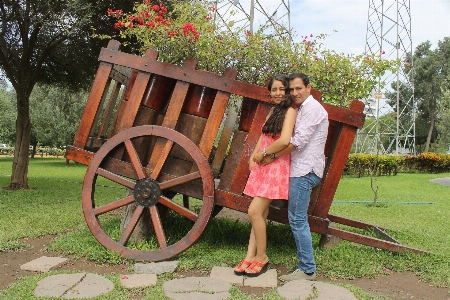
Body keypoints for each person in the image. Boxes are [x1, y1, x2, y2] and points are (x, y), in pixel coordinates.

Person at [256, 72, 329, 281]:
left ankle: (307, 269)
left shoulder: (313, 109)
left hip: (305, 171)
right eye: (292, 89)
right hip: (299, 169)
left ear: (309, 88)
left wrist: (270, 155)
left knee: (297, 219)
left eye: (299, 88)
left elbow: (298, 141)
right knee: (296, 218)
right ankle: (306, 267)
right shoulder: (301, 109)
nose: (295, 93)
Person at [234, 74, 296, 277]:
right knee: (260, 214)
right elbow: (264, 135)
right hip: (263, 165)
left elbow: (285, 140)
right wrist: (253, 156)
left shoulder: (290, 111)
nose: (278, 93)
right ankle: (249, 256)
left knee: (253, 211)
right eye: (274, 89)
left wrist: (264, 154)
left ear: (287, 91)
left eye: (282, 89)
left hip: (275, 166)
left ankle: (262, 257)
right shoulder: (273, 111)